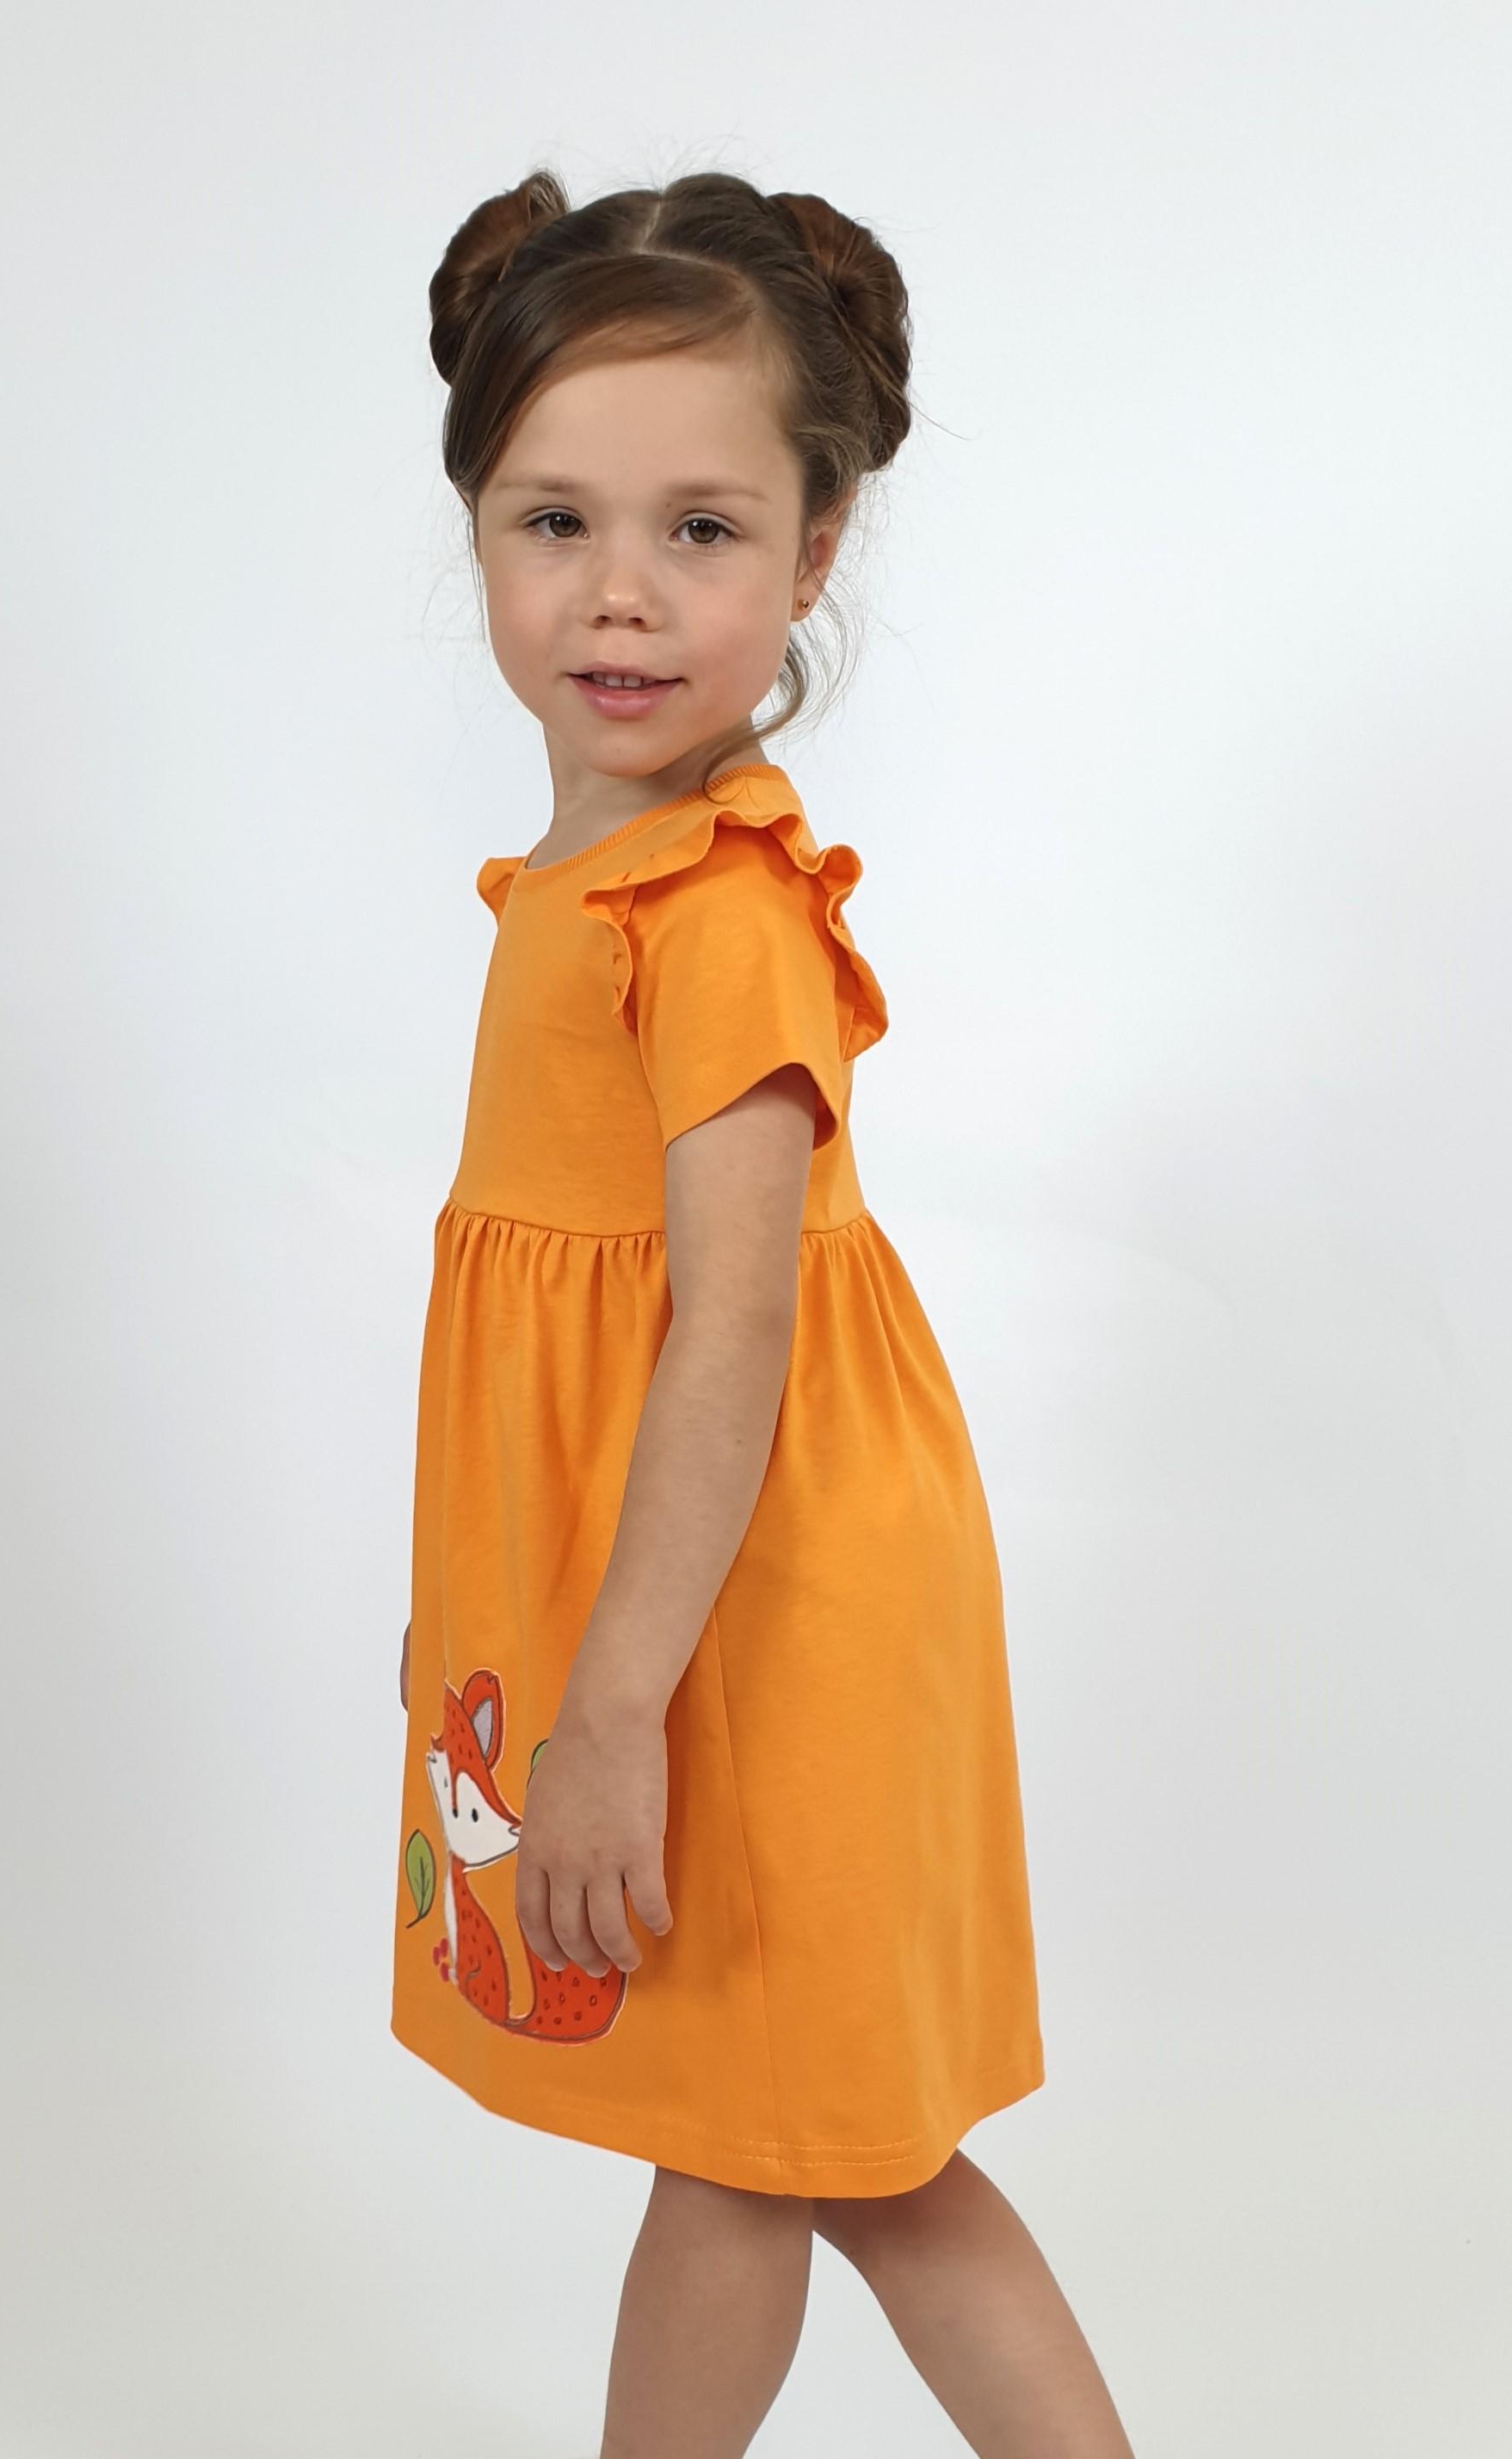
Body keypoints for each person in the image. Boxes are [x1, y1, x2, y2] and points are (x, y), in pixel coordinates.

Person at [388, 165, 1137, 2459]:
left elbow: (727, 1331)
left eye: (701, 530)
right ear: (477, 524)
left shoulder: (715, 911)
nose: (618, 591)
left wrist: (612, 1709)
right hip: (673, 1593)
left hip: (764, 1609)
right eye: (555, 521)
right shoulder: (587, 877)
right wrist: (506, 1621)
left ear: (816, 552)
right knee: (769, 2135)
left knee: (818, 2144)